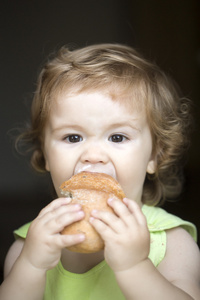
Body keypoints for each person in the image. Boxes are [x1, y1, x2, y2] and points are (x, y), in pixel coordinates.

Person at [0, 44, 199, 300]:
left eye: (117, 137)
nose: (92, 155)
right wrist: (31, 267)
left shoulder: (172, 242)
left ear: (154, 156)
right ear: (45, 154)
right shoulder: (28, 245)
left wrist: (135, 267)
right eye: (72, 137)